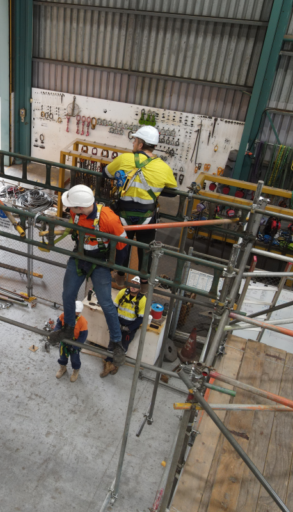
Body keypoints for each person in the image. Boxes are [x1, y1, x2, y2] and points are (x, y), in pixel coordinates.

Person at [47, 185, 129, 366]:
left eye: (71, 207)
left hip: (100, 264)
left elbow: (124, 246)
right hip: (79, 257)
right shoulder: (76, 213)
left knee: (106, 303)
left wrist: (118, 270)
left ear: (82, 207)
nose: (69, 210)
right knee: (67, 294)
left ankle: (116, 343)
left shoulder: (109, 219)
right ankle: (68, 328)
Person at [104, 126, 177, 289]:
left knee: (123, 244)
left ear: (141, 144)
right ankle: (144, 283)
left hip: (123, 213)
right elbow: (172, 192)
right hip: (147, 215)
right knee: (146, 248)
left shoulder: (124, 159)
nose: (133, 143)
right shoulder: (163, 167)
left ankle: (120, 275)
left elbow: (106, 173)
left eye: (135, 140)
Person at [101, 276, 146, 378]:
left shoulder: (142, 300)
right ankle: (108, 363)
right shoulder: (122, 293)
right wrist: (114, 324)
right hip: (117, 324)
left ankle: (115, 365)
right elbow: (114, 308)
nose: (133, 287)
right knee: (112, 344)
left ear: (140, 288)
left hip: (129, 329)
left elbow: (140, 318)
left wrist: (129, 328)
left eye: (136, 285)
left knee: (122, 347)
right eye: (132, 283)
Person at [55, 301, 88, 382]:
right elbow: (58, 324)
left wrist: (76, 346)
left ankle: (76, 371)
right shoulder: (64, 315)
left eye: (77, 312)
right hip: (64, 342)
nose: (75, 313)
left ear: (79, 312)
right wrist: (56, 333)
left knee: (75, 359)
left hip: (74, 343)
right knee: (62, 356)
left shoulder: (82, 321)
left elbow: (83, 336)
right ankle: (63, 368)